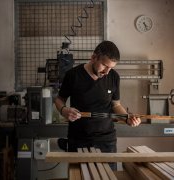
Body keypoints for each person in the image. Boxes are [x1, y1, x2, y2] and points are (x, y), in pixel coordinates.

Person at [54, 40, 141, 169]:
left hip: (106, 140)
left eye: (111, 68)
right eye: (105, 65)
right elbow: (59, 99)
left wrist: (127, 117)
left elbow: (116, 105)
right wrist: (64, 110)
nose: (107, 71)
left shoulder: (114, 77)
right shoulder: (73, 75)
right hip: (78, 139)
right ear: (94, 57)